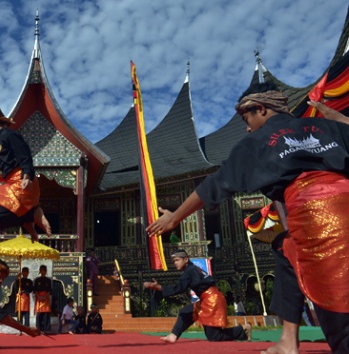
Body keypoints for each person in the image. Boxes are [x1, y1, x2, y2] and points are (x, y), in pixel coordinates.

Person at [146, 88, 349, 353]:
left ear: (261, 110)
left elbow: (215, 185)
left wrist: (175, 217)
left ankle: (291, 342)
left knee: (341, 324)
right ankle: (288, 340)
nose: (247, 129)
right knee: (285, 248)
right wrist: (342, 122)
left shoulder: (257, 142)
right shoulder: (324, 126)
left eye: (246, 120)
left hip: (316, 211)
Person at [0, 102, 51, 242]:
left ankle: (31, 214)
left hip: (21, 183)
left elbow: (25, 155)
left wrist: (27, 176)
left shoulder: (10, 135)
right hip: (9, 185)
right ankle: (26, 219)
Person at [143, 250, 250, 343]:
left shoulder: (189, 271)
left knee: (214, 336)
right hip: (209, 298)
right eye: (174, 261)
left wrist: (159, 287)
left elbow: (179, 288)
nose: (175, 263)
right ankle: (174, 335)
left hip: (212, 300)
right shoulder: (192, 269)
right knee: (188, 312)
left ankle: (243, 330)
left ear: (185, 259)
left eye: (177, 260)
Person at [33, 264, 52, 332]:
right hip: (39, 298)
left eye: (44, 271)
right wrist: (39, 296)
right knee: (39, 314)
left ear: (46, 271)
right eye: (41, 270)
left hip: (46, 298)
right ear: (40, 271)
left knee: (46, 314)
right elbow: (34, 290)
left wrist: (45, 296)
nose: (43, 272)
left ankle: (46, 329)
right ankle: (39, 328)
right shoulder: (37, 280)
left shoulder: (48, 280)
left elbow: (50, 290)